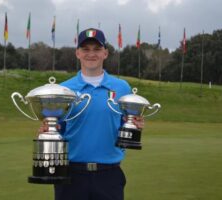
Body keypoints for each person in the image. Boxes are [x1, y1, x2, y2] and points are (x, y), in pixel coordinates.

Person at [39, 28, 144, 200]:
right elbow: (57, 129)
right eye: (86, 49)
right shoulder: (63, 89)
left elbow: (126, 125)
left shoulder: (122, 88)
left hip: (109, 175)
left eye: (96, 49)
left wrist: (136, 125)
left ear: (105, 53)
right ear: (77, 53)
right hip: (71, 175)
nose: (91, 54)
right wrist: (47, 131)